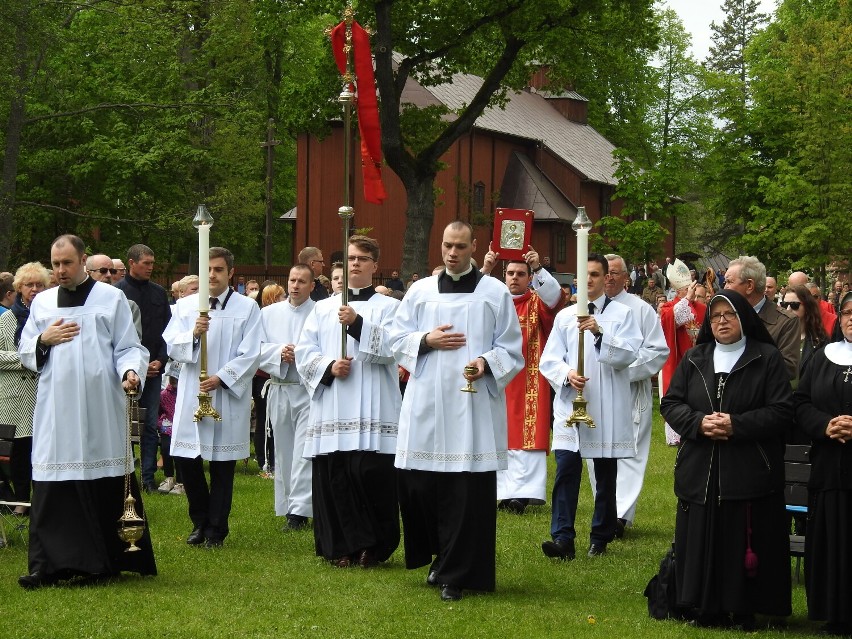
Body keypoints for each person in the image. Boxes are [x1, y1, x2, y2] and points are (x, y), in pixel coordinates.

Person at [389, 221, 523, 601]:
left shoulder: (494, 293)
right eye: (447, 245)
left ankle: (457, 573)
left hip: (472, 404)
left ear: (473, 247)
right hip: (427, 400)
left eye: (460, 247)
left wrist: (484, 362)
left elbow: (512, 349)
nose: (452, 253)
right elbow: (398, 339)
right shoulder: (420, 291)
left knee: (465, 492)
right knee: (418, 487)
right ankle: (438, 555)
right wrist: (426, 340)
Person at [17, 235, 155, 588]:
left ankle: (102, 562)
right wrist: (41, 341)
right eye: (55, 264)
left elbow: (128, 345)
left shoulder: (111, 299)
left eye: (67, 263)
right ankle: (46, 566)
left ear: (83, 260)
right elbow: (26, 351)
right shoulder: (43, 303)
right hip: (57, 407)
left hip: (100, 407)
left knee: (101, 478)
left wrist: (130, 372)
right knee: (53, 479)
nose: (60, 270)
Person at [660, 290, 793, 628]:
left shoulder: (766, 358)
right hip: (700, 470)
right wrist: (699, 423)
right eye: (716, 315)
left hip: (749, 471)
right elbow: (672, 403)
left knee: (742, 539)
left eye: (729, 315)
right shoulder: (695, 358)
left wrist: (736, 425)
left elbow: (781, 412)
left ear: (744, 319)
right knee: (702, 537)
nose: (721, 321)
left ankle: (745, 608)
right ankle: (704, 606)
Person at [296, 236, 401, 568]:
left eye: (363, 258)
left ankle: (375, 545)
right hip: (334, 402)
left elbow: (396, 349)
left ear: (375, 266)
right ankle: (339, 545)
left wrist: (356, 324)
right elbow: (304, 352)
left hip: (375, 404)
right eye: (351, 258)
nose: (355, 263)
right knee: (335, 475)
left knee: (371, 474)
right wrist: (328, 366)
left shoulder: (390, 308)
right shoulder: (322, 308)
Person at [539, 253, 642, 560]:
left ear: (606, 278)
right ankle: (562, 538)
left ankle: (600, 535)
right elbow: (549, 359)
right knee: (566, 468)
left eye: (595, 274)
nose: (588, 280)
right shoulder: (563, 317)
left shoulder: (622, 315)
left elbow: (628, 355)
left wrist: (599, 332)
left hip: (605, 403)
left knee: (605, 471)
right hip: (572, 404)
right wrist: (566, 374)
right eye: (583, 275)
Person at [164, 246, 262, 549]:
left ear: (231, 273)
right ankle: (199, 520)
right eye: (207, 269)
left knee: (222, 464)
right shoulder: (185, 305)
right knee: (188, 458)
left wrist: (223, 377)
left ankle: (217, 528)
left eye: (218, 270)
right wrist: (193, 334)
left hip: (226, 395)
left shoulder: (246, 308)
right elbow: (170, 344)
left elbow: (252, 352)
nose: (212, 275)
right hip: (193, 391)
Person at [480, 243, 566, 514]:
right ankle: (502, 492)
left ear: (529, 278)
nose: (514, 278)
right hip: (495, 377)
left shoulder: (537, 303)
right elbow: (467, 301)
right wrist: (484, 269)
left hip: (529, 378)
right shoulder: (491, 301)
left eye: (521, 273)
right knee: (496, 433)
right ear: (503, 276)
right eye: (510, 273)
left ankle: (523, 493)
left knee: (528, 435)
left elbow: (555, 300)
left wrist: (539, 266)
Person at [587, 255, 668, 537]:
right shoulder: (586, 310)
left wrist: (624, 368)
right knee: (596, 450)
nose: (608, 277)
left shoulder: (641, 310)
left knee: (629, 453)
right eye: (603, 273)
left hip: (631, 392)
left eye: (614, 273)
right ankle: (604, 509)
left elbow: (657, 350)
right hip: (595, 391)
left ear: (625, 278)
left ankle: (620, 515)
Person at [793, 291, 852, 636]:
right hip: (829, 466)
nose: (850, 318)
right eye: (846, 312)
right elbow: (801, 403)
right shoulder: (821, 358)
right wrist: (825, 425)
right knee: (832, 540)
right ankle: (835, 613)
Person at [259, 264, 315, 531]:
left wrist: (301, 354)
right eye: (292, 280)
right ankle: (288, 505)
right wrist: (279, 352)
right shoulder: (268, 314)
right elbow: (253, 348)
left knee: (304, 451)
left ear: (312, 286)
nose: (296, 285)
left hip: (308, 390)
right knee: (284, 450)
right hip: (280, 386)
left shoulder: (320, 312)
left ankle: (300, 511)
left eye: (302, 281)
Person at [115, 245, 171, 493]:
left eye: (152, 263)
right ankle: (120, 474)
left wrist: (160, 360)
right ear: (131, 263)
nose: (150, 267)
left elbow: (168, 332)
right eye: (146, 263)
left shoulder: (159, 293)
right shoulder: (116, 294)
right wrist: (134, 365)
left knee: (149, 424)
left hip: (153, 368)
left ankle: (147, 477)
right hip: (123, 371)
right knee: (120, 423)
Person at [0, 262, 49, 516]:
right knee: (18, 453)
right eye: (29, 285)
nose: (35, 289)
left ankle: (42, 500)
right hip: (14, 398)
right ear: (18, 288)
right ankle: (21, 500)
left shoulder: (49, 318)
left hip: (42, 393)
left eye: (40, 284)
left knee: (40, 449)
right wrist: (25, 358)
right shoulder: (5, 320)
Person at [724, 256, 799, 380]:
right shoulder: (723, 317)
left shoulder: (786, 322)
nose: (725, 287)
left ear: (749, 286)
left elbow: (788, 369)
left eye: (729, 282)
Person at [659, 260, 707, 445]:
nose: (692, 293)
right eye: (686, 289)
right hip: (678, 362)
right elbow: (673, 320)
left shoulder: (704, 309)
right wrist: (686, 300)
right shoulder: (668, 308)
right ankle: (678, 435)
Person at [782, 285, 830, 383]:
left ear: (807, 307)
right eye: (784, 304)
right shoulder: (775, 336)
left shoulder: (820, 340)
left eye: (794, 305)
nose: (788, 309)